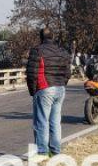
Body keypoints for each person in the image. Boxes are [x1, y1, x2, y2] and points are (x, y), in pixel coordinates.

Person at [25, 28, 71, 157]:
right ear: (53, 36)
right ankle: (55, 150)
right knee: (55, 121)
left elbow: (31, 73)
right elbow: (68, 72)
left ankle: (42, 152)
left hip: (44, 87)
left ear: (41, 37)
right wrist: (62, 83)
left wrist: (33, 91)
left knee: (41, 122)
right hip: (60, 88)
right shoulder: (63, 51)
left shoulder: (37, 51)